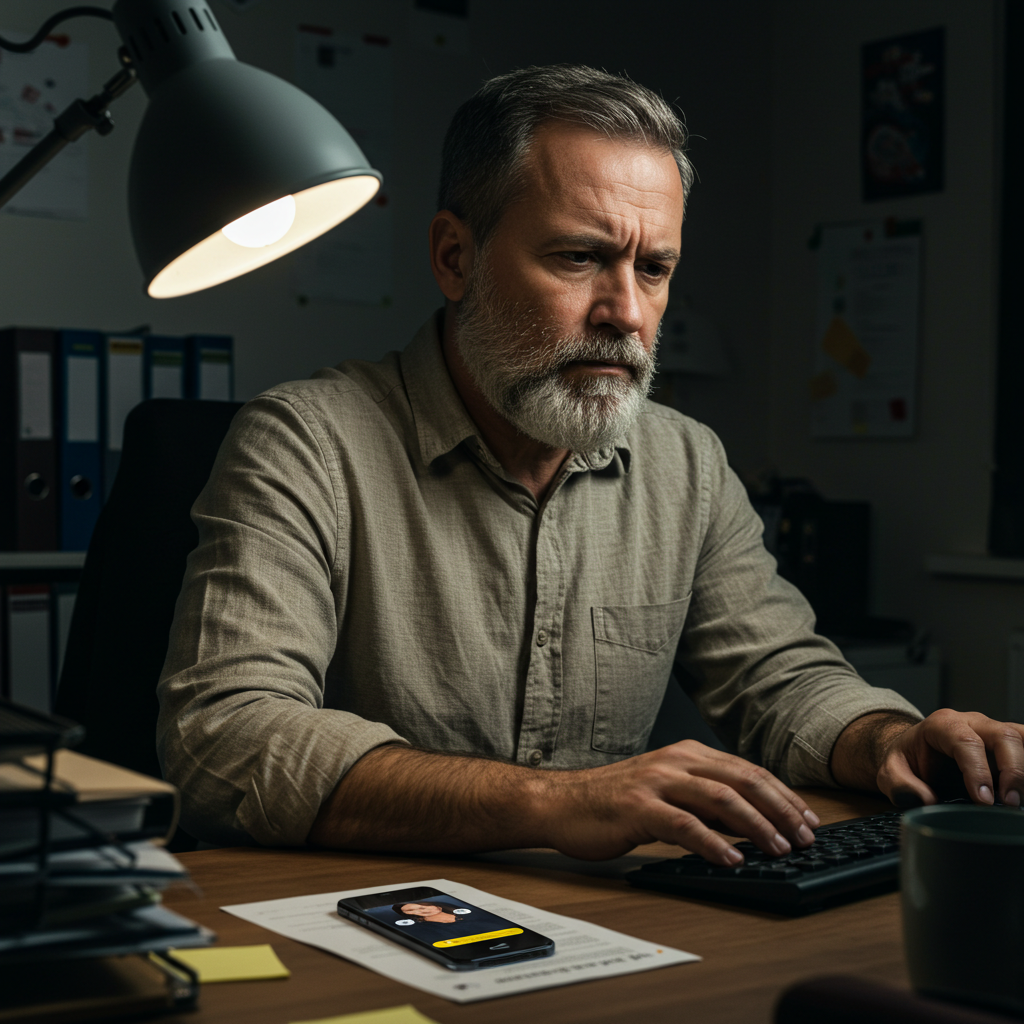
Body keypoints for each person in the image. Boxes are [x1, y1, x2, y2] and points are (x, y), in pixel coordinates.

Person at [156, 64, 1024, 864]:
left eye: (655, 269)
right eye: (580, 257)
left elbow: (778, 677)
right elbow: (225, 737)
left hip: (603, 925)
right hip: (355, 922)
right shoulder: (306, 440)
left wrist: (887, 740)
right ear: (454, 258)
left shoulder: (685, 462)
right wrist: (552, 803)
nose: (627, 313)